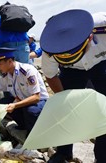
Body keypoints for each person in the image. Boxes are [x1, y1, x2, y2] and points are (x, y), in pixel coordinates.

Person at [40, 9, 106, 163]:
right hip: (71, 71)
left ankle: (102, 155)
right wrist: (65, 100)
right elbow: (50, 75)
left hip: (100, 64)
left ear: (89, 38)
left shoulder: (102, 27)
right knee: (64, 108)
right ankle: (63, 152)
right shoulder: (50, 47)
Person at [0, 47, 49, 135]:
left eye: (0, 64)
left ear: (9, 61)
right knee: (3, 102)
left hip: (40, 102)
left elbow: (36, 97)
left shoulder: (27, 71)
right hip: (22, 100)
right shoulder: (6, 75)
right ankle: (23, 125)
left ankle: (33, 134)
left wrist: (15, 105)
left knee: (31, 111)